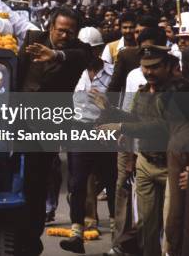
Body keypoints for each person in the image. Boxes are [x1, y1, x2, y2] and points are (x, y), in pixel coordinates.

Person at [97, 45, 189, 256]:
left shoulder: (178, 92)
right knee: (146, 225)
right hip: (145, 163)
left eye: (155, 67)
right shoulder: (142, 92)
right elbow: (138, 120)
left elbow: (161, 126)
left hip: (171, 169)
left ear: (167, 66)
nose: (149, 72)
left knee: (171, 224)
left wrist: (121, 126)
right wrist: (113, 115)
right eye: (145, 67)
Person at [17, 7, 92, 256]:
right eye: (60, 31)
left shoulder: (79, 51)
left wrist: (56, 54)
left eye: (70, 32)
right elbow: (16, 76)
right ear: (50, 28)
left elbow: (78, 58)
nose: (65, 35)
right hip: (21, 122)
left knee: (38, 184)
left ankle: (31, 239)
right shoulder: (31, 40)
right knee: (15, 180)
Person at [61, 27, 116, 253]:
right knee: (77, 182)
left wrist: (108, 106)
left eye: (90, 50)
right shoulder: (72, 72)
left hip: (106, 131)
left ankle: (117, 233)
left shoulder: (114, 73)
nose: (86, 55)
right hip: (79, 130)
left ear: (98, 50)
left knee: (112, 182)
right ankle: (77, 233)